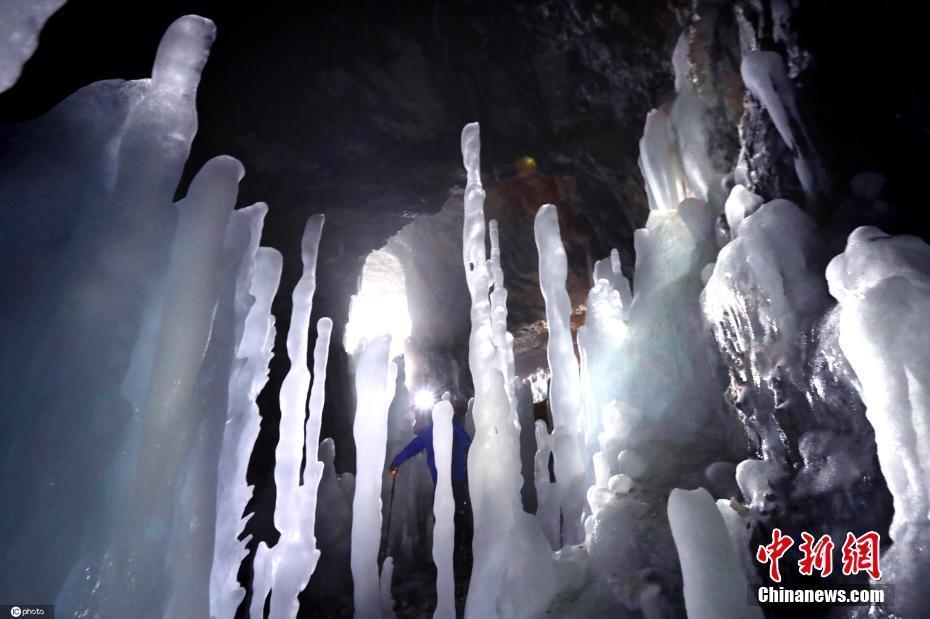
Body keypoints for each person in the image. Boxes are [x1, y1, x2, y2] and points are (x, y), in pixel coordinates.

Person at [388, 402, 473, 590]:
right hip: (444, 484)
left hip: (455, 483)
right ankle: (450, 558)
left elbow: (469, 445)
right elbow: (411, 448)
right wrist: (396, 462)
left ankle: (459, 555)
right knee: (446, 519)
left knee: (456, 518)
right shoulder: (432, 431)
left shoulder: (452, 428)